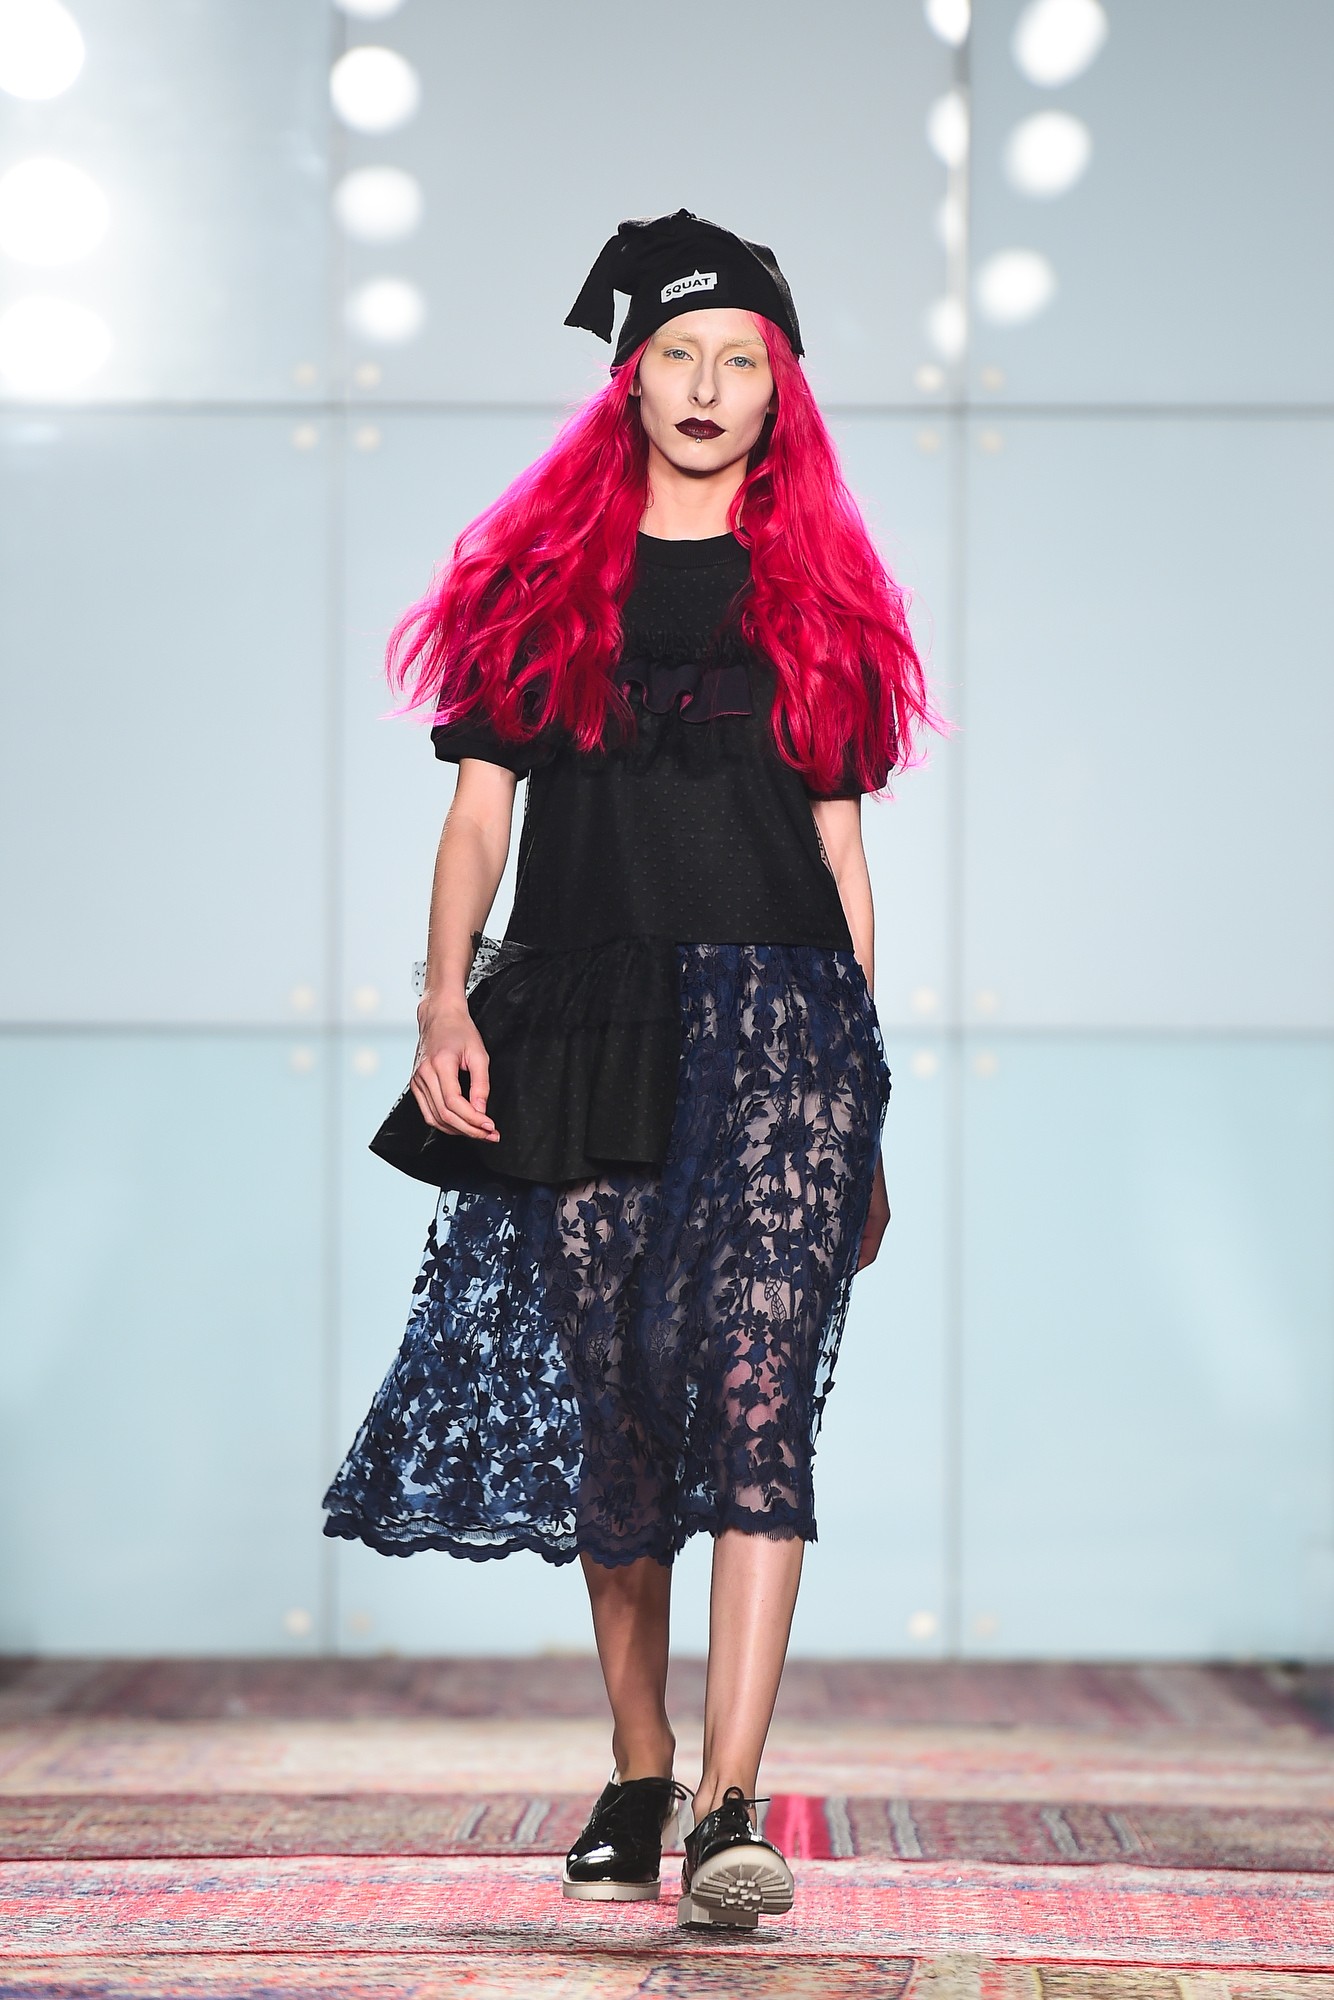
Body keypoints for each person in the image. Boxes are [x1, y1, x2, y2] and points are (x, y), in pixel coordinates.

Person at [323, 209, 942, 1929]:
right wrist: (442, 1003)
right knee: (622, 1411)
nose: (707, 385)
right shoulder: (538, 584)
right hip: (587, 1015)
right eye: (678, 353)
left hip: (783, 1031)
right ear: (630, 378)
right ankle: (639, 1767)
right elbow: (476, 819)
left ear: (778, 392)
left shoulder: (821, 599)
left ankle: (735, 1805)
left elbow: (842, 864)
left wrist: (859, 1101)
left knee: (754, 1403)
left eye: (741, 359)